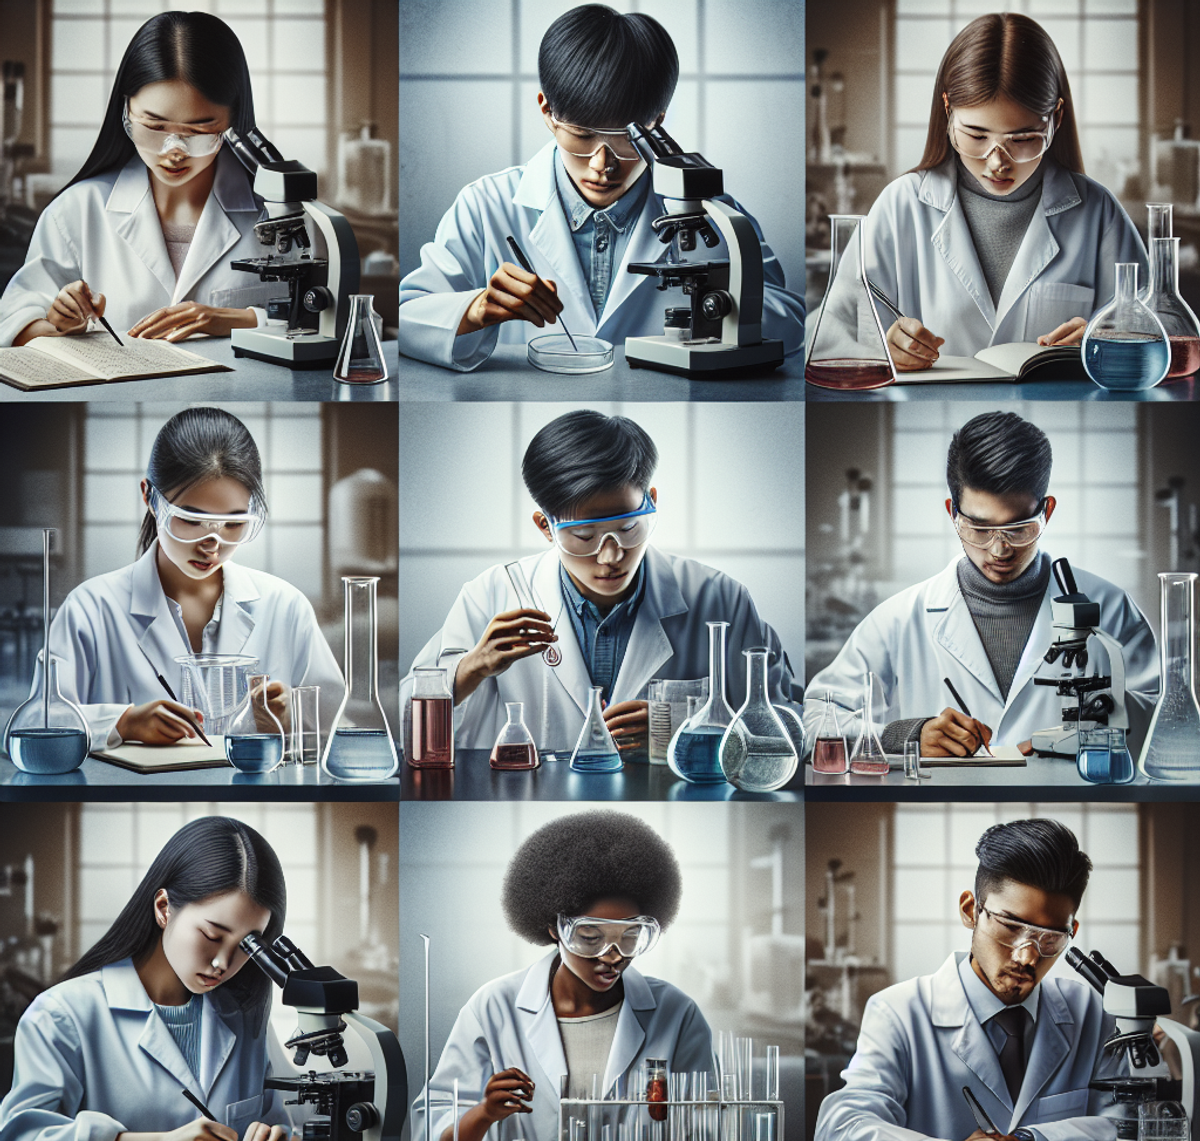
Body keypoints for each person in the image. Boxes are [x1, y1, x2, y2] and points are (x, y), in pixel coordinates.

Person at [398, 3, 804, 371]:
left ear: (656, 122)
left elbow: (790, 320)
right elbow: (409, 316)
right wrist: (474, 309)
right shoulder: (486, 205)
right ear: (547, 111)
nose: (602, 164)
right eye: (581, 134)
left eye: (626, 139)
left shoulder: (708, 212)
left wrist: (717, 306)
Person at [402, 410, 800, 754]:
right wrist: (470, 668)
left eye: (628, 528)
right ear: (546, 527)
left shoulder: (720, 599)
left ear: (652, 503)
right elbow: (402, 724)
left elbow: (788, 730)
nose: (610, 557)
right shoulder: (491, 595)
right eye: (584, 537)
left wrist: (687, 732)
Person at [803, 411, 1158, 757]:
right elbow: (812, 725)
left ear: (1046, 513)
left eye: (1019, 529)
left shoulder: (1109, 607)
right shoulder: (898, 619)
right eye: (979, 529)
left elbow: (1166, 722)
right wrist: (905, 735)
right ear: (952, 513)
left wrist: (1096, 733)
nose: (999, 549)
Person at [411, 810, 715, 1141]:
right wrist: (485, 1114)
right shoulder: (494, 1007)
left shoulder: (677, 1014)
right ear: (555, 927)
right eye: (591, 936)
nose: (613, 955)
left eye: (630, 936)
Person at [817, 13, 1145, 368]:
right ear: (947, 112)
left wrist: (1105, 338)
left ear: (1056, 119)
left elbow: (1161, 332)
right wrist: (882, 346)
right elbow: (828, 335)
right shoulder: (901, 207)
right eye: (976, 136)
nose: (997, 163)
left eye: (1021, 139)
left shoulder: (1098, 213)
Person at [814, 818, 1119, 1141]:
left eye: (1050, 938)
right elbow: (839, 1134)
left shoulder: (1091, 1012)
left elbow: (1129, 1129)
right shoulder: (898, 1010)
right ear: (970, 910)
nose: (1027, 957)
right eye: (1009, 926)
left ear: (1072, 931)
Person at [0, 817, 299, 1141]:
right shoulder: (63, 1015)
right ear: (163, 908)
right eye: (211, 934)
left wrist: (278, 1140)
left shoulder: (244, 1018)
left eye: (246, 947)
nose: (223, 963)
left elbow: (281, 1127)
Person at [35, 406, 343, 750]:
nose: (212, 544)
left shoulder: (286, 607)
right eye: (191, 520)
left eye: (233, 523)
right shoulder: (90, 609)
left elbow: (339, 728)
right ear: (149, 497)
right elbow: (38, 722)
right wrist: (122, 723)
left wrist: (291, 718)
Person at [0, 11, 286, 348]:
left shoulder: (283, 217)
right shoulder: (77, 211)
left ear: (233, 121)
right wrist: (59, 323)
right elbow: (13, 325)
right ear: (126, 110)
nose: (174, 151)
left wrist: (245, 319)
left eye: (198, 131)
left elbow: (329, 323)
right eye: (154, 126)